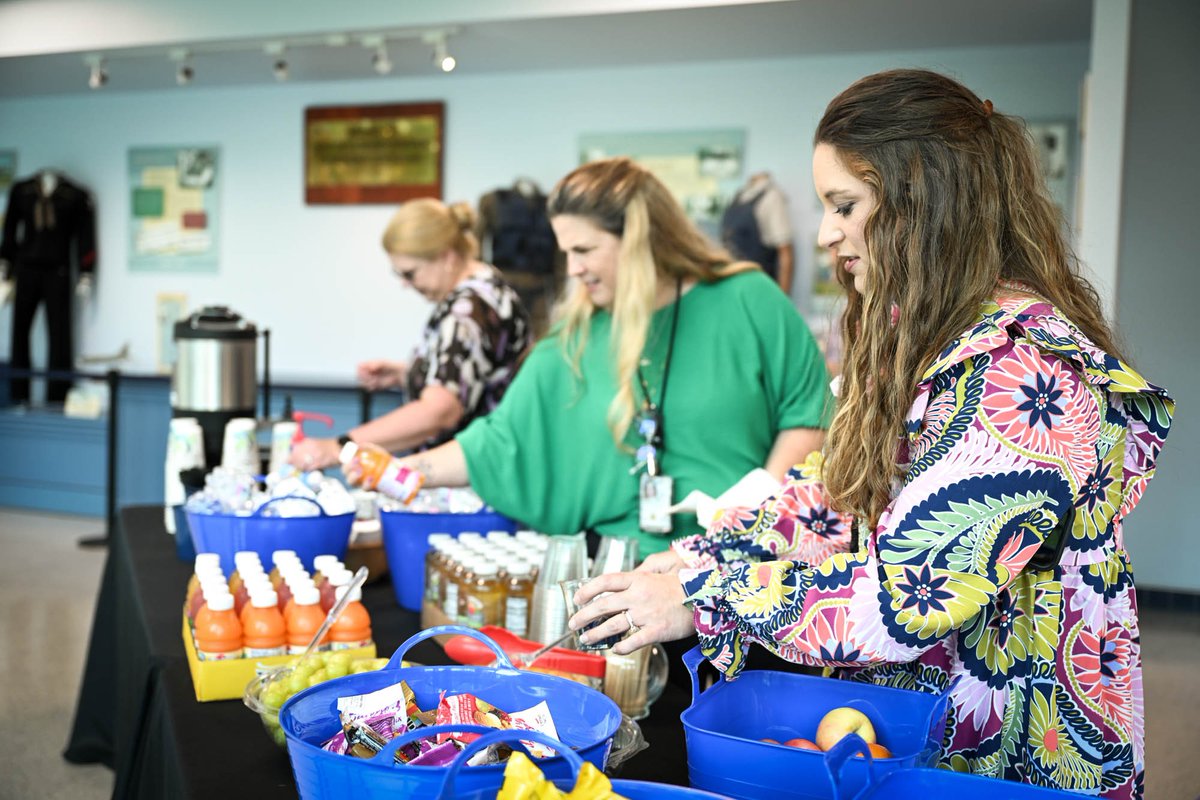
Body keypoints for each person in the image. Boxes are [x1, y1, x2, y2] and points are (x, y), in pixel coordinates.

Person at [569, 70, 1173, 798]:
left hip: (1014, 744)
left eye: (844, 205)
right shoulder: (929, 338)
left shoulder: (1021, 373)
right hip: (925, 716)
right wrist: (698, 555)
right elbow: (839, 497)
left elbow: (905, 600)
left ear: (923, 199)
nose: (825, 232)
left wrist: (704, 593)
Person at [367, 157, 831, 557]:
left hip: (738, 568)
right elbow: (497, 445)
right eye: (566, 251)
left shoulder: (748, 300)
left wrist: (747, 528)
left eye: (584, 249)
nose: (573, 268)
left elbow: (807, 416)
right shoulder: (575, 342)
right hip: (618, 573)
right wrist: (396, 470)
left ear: (639, 238)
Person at [289, 199, 530, 469]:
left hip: (472, 477)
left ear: (446, 257)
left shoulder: (467, 313)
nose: (406, 284)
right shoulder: (487, 285)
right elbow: (473, 375)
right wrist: (409, 373)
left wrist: (339, 447)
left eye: (410, 274)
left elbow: (440, 411)